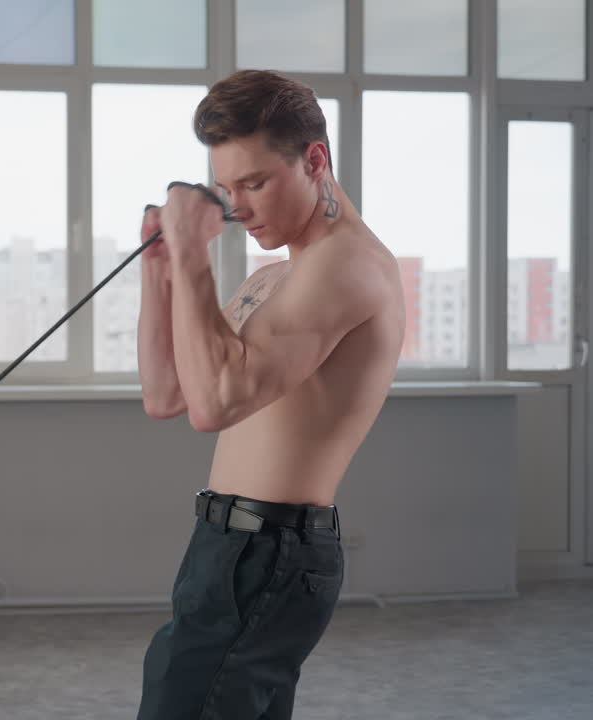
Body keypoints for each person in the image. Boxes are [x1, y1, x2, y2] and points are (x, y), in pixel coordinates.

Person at [135, 69, 406, 720]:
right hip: (227, 544)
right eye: (227, 188)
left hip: (269, 550)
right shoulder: (275, 279)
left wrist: (194, 256)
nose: (237, 209)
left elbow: (214, 407)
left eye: (254, 183)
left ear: (315, 160)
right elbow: (167, 393)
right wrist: (160, 271)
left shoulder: (346, 266)